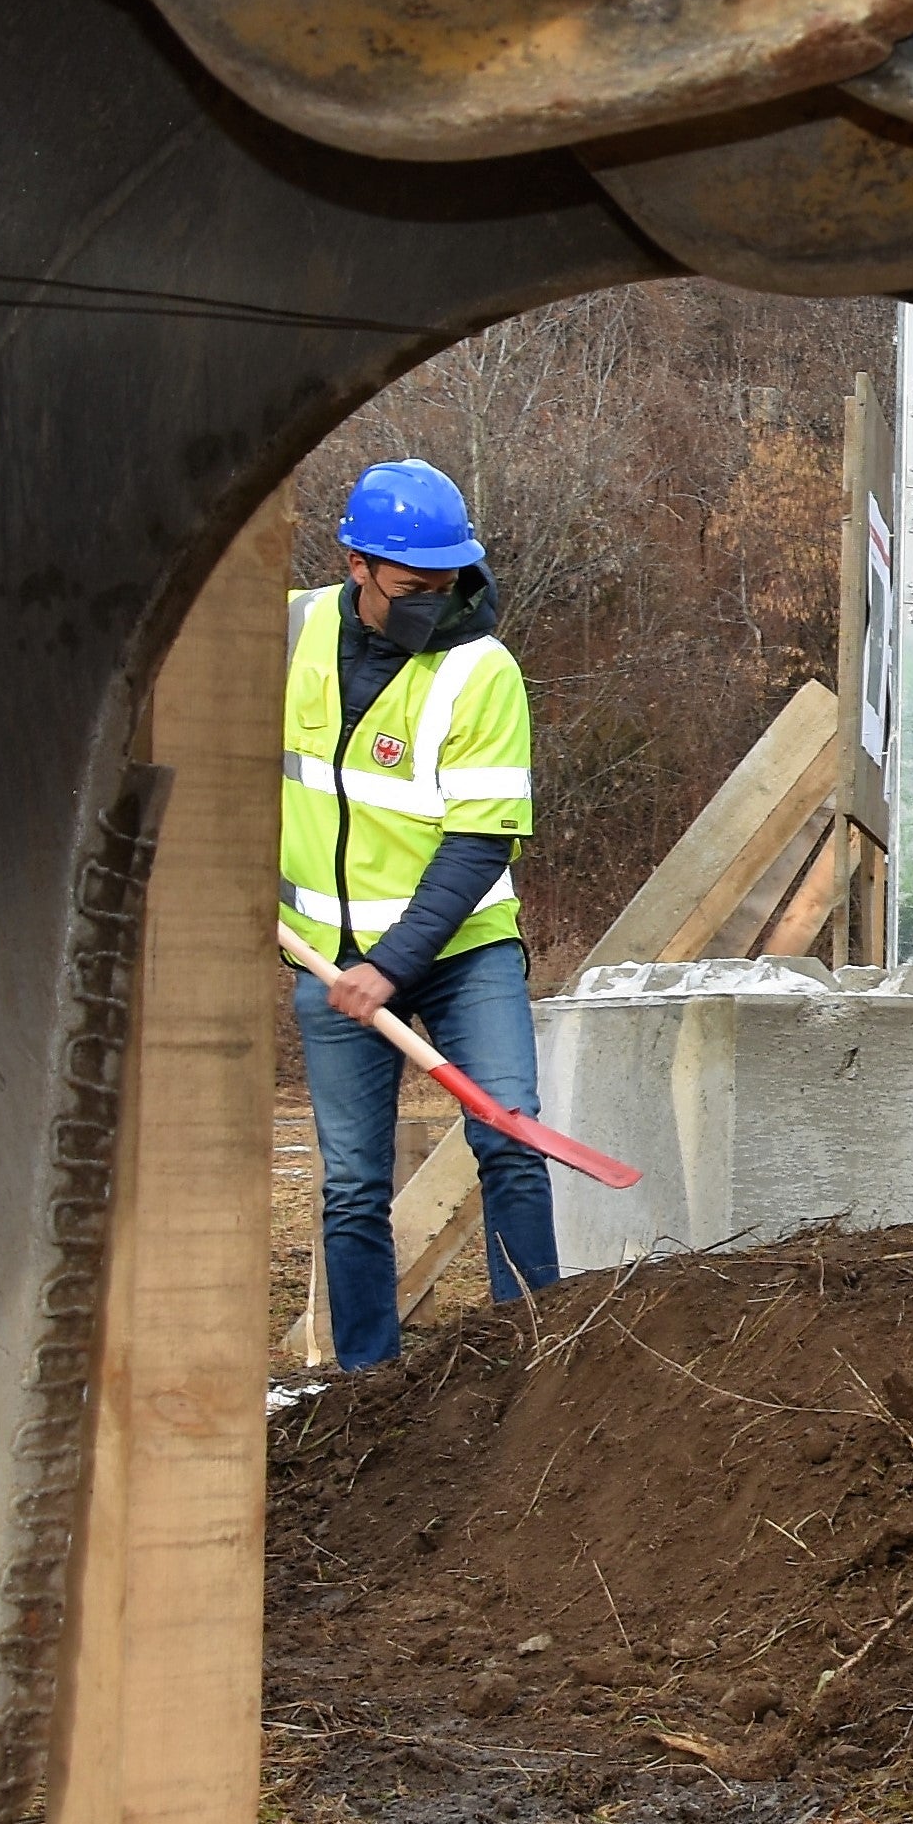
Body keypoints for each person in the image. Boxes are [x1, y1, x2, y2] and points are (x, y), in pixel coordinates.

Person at [282, 458, 551, 1370]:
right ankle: (369, 1385)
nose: (429, 604)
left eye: (444, 586)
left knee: (510, 1135)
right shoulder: (287, 632)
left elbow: (479, 843)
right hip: (327, 956)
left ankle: (535, 1360)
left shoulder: (481, 671)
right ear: (354, 563)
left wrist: (390, 965)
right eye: (408, 588)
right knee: (353, 1186)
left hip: (461, 950)